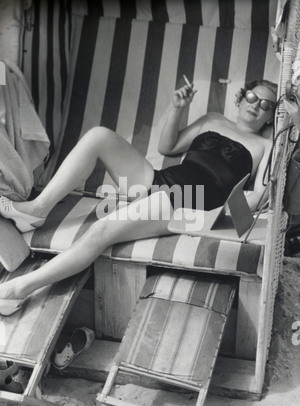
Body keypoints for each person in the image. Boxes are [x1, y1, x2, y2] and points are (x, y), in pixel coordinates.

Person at [0, 79, 277, 313]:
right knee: (99, 136)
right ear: (241, 99)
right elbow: (168, 147)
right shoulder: (213, 119)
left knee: (102, 229)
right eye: (253, 97)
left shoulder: (265, 145)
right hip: (161, 181)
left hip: (188, 201)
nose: (257, 105)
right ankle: (38, 209)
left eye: (266, 105)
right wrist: (177, 108)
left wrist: (213, 216)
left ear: (269, 117)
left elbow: (259, 196)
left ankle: (18, 289)